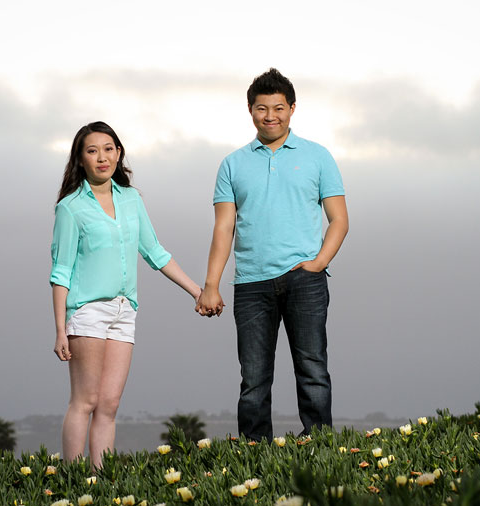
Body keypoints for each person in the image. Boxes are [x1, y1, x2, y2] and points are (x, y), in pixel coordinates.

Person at [196, 68, 349, 443]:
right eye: (262, 108)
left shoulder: (318, 156)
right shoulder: (232, 164)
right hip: (250, 283)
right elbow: (223, 229)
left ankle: (319, 443)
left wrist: (318, 263)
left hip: (305, 279)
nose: (271, 116)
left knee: (312, 368)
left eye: (279, 108)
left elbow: (339, 220)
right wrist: (211, 285)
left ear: (292, 108)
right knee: (253, 377)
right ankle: (254, 450)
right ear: (250, 110)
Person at [50, 121, 201, 468]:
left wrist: (197, 291)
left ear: (119, 153)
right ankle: (72, 478)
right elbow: (60, 272)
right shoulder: (70, 208)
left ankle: (99, 480)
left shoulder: (131, 199)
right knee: (85, 401)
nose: (101, 157)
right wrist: (60, 329)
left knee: (110, 404)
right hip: (87, 311)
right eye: (92, 151)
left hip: (124, 310)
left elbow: (155, 253)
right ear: (81, 160)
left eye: (108, 149)